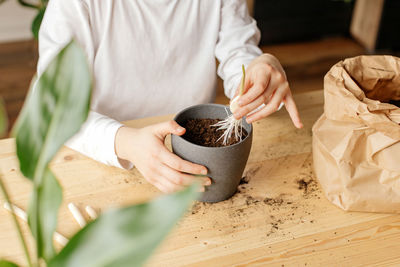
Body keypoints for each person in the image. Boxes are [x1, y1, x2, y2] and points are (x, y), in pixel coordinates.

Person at [37, 0, 303, 193]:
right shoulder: (74, 5)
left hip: (196, 153)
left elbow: (238, 50)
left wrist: (257, 69)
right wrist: (126, 142)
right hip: (106, 155)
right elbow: (53, 107)